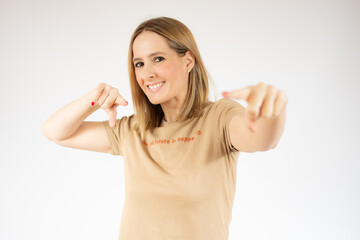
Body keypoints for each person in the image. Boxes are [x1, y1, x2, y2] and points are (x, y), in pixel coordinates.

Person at [41, 17, 287, 240]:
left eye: (158, 59)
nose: (147, 73)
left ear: (188, 60)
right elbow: (55, 131)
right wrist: (96, 97)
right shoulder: (132, 130)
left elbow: (263, 140)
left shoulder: (218, 118)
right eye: (139, 63)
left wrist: (271, 110)